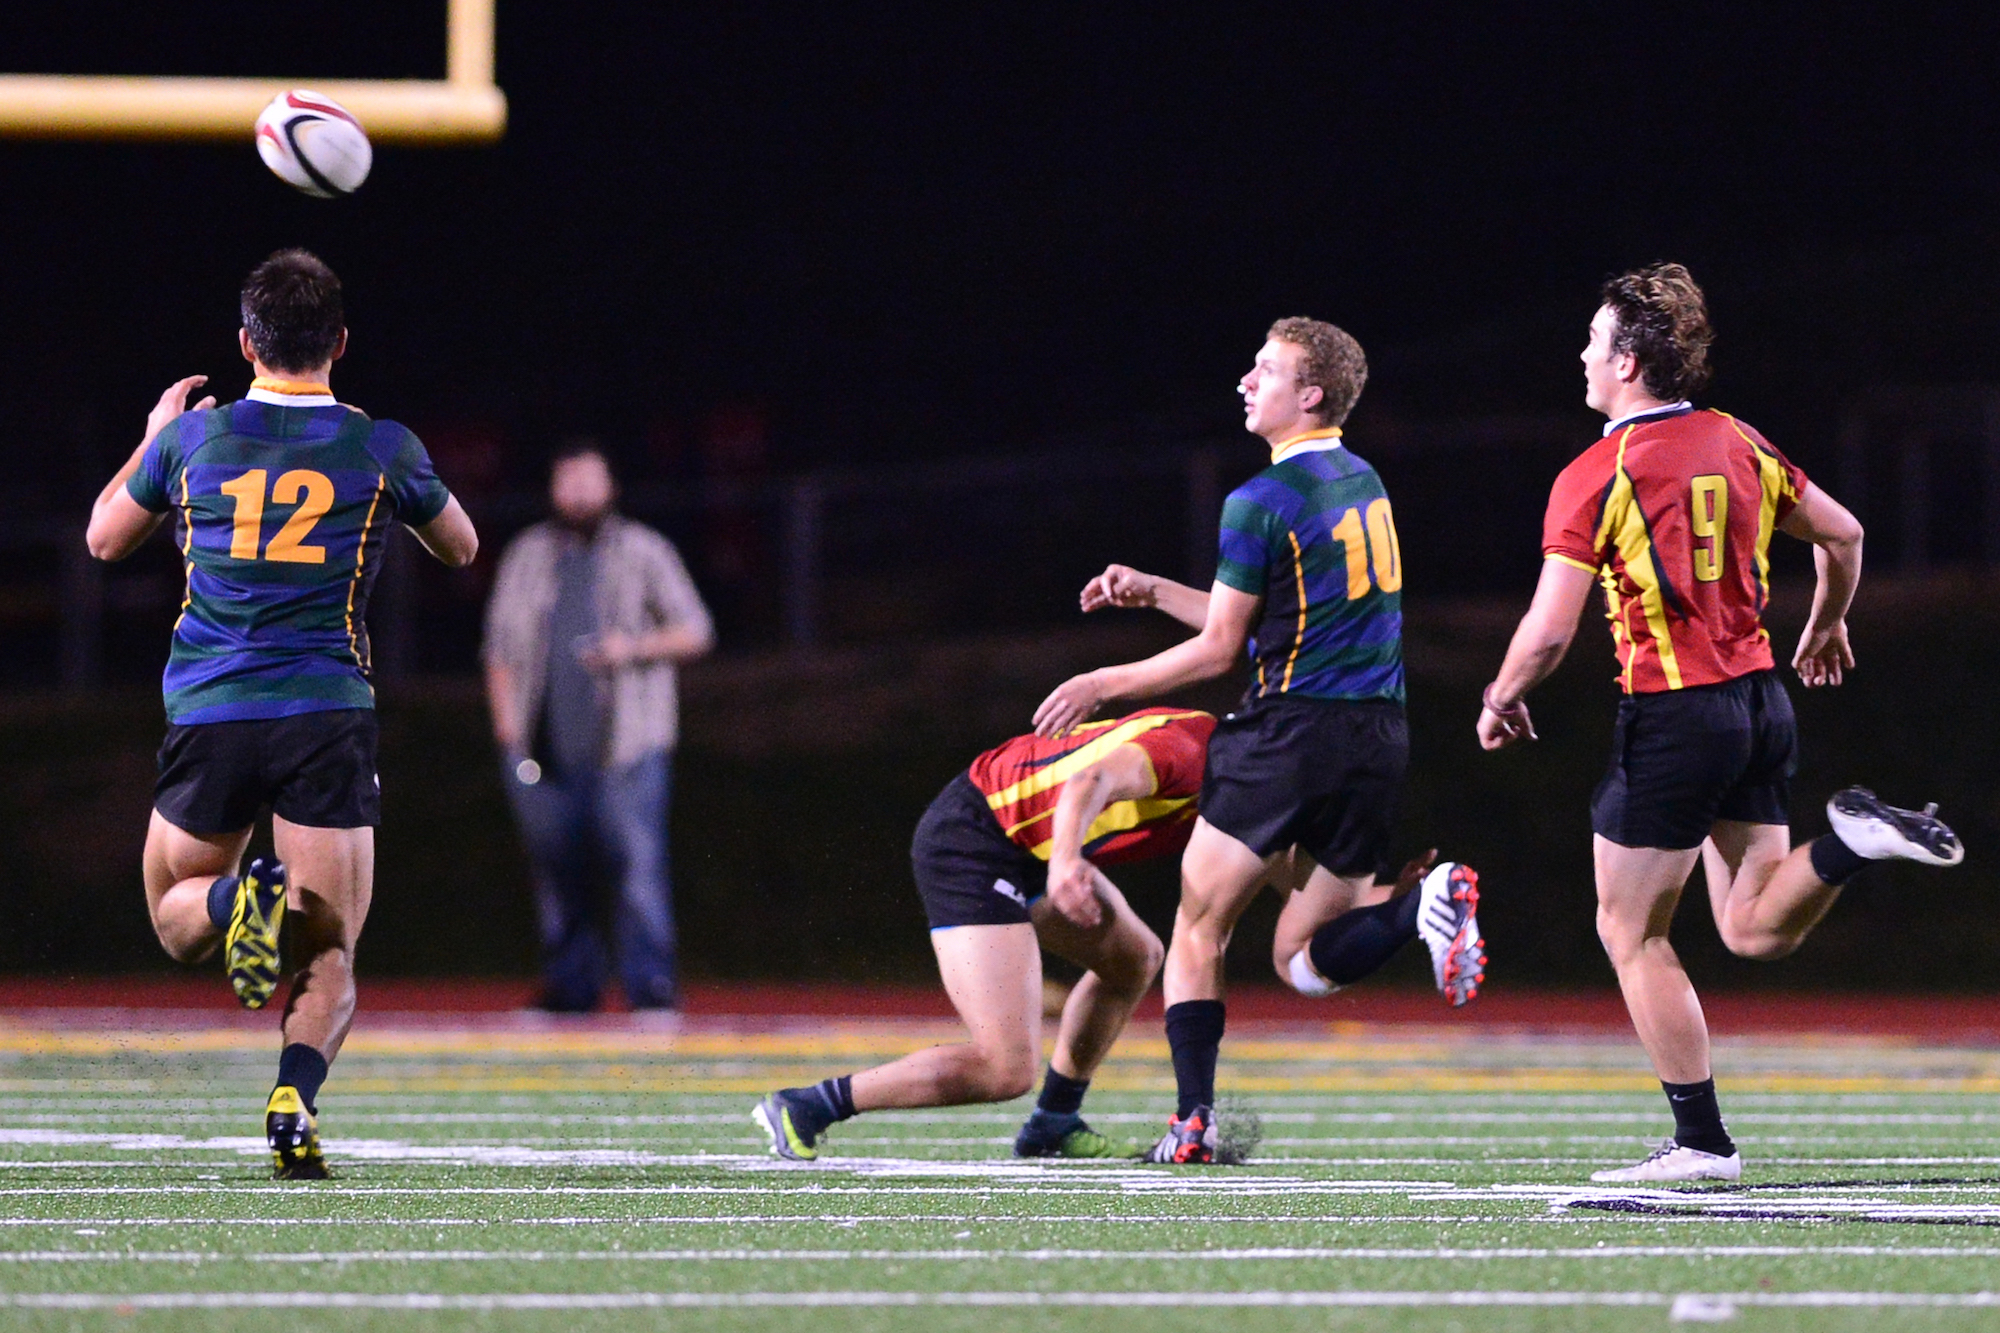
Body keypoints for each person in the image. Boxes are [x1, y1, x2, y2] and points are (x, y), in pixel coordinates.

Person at [1477, 262, 1964, 1184]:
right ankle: (1851, 843)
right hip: (1758, 703)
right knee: (1752, 928)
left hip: (1673, 716)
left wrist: (1501, 694)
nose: (1581, 354)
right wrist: (1824, 623)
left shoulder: (1598, 471)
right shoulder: (1737, 438)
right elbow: (1846, 534)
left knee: (1629, 932)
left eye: (1593, 340)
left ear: (1626, 361)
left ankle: (1701, 1142)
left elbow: (1547, 631)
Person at [1034, 318, 1476, 1164]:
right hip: (1378, 735)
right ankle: (1420, 906)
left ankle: (1191, 1121)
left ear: (1310, 395)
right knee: (1307, 960)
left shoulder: (1257, 499)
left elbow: (1221, 650)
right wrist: (1157, 588)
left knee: (1199, 928)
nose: (1246, 380)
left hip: (1287, 731)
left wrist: (1101, 683)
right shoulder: (1364, 479)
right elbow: (1264, 617)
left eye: (1266, 369)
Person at [84, 249, 479, 1179]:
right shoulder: (382, 443)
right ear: (340, 343)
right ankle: (293, 1096)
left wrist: (153, 436)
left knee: (178, 917)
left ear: (244, 344)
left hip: (213, 709)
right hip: (325, 713)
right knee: (331, 942)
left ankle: (235, 899)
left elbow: (104, 537)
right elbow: (461, 548)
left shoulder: (193, 440)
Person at [751, 707, 1472, 1163]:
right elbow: (1090, 781)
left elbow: (1301, 891)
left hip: (1036, 844)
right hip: (978, 835)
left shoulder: (1258, 785)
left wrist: (1394, 904)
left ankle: (1053, 1124)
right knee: (1003, 1064)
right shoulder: (1194, 753)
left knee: (1138, 958)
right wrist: (1066, 860)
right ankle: (811, 1104)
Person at [483, 443, 714, 1013]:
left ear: (611, 486)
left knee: (637, 869)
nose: (580, 492)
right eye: (569, 480)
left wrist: (630, 649)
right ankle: (571, 988)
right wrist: (508, 735)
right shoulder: (529, 554)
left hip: (630, 745)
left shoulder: (643, 549)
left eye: (591, 479)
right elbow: (498, 648)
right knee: (557, 874)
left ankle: (652, 991)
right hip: (544, 750)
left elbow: (695, 630)